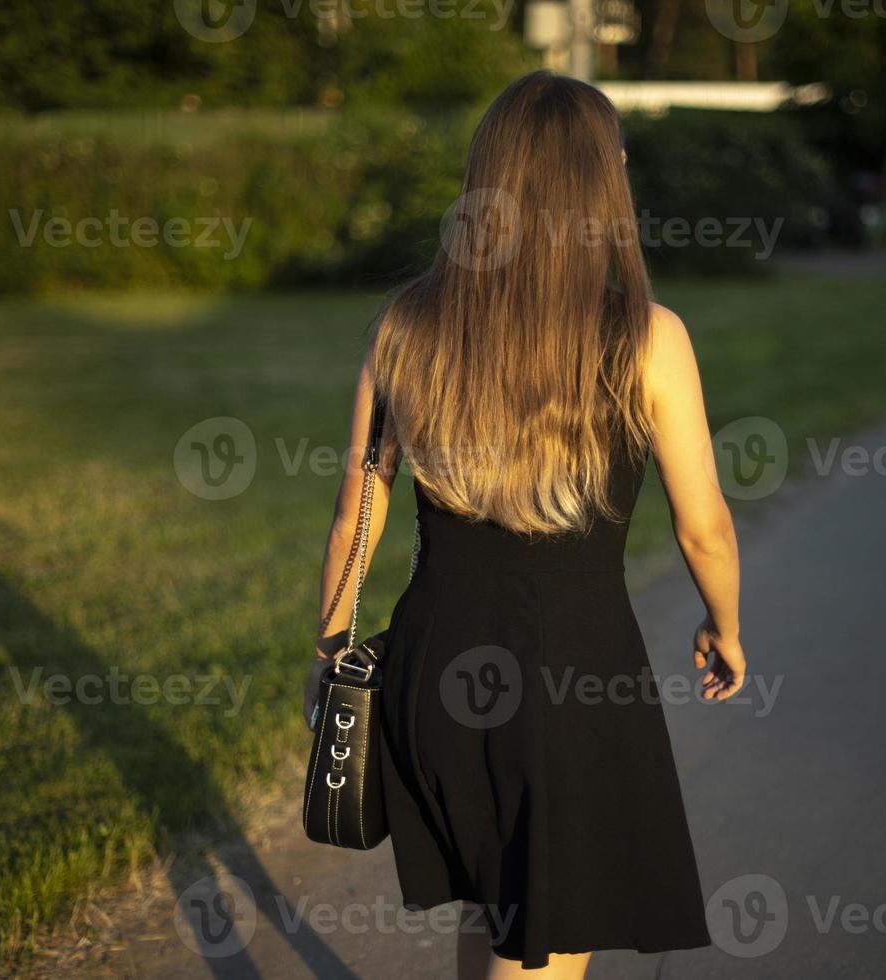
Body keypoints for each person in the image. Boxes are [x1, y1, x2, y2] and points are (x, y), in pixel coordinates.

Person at [308, 70, 747, 979]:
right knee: (542, 935)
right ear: (602, 185)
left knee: (500, 907)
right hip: (568, 674)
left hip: (434, 661)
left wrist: (330, 654)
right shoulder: (648, 337)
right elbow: (703, 524)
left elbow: (361, 502)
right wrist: (725, 625)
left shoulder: (407, 325)